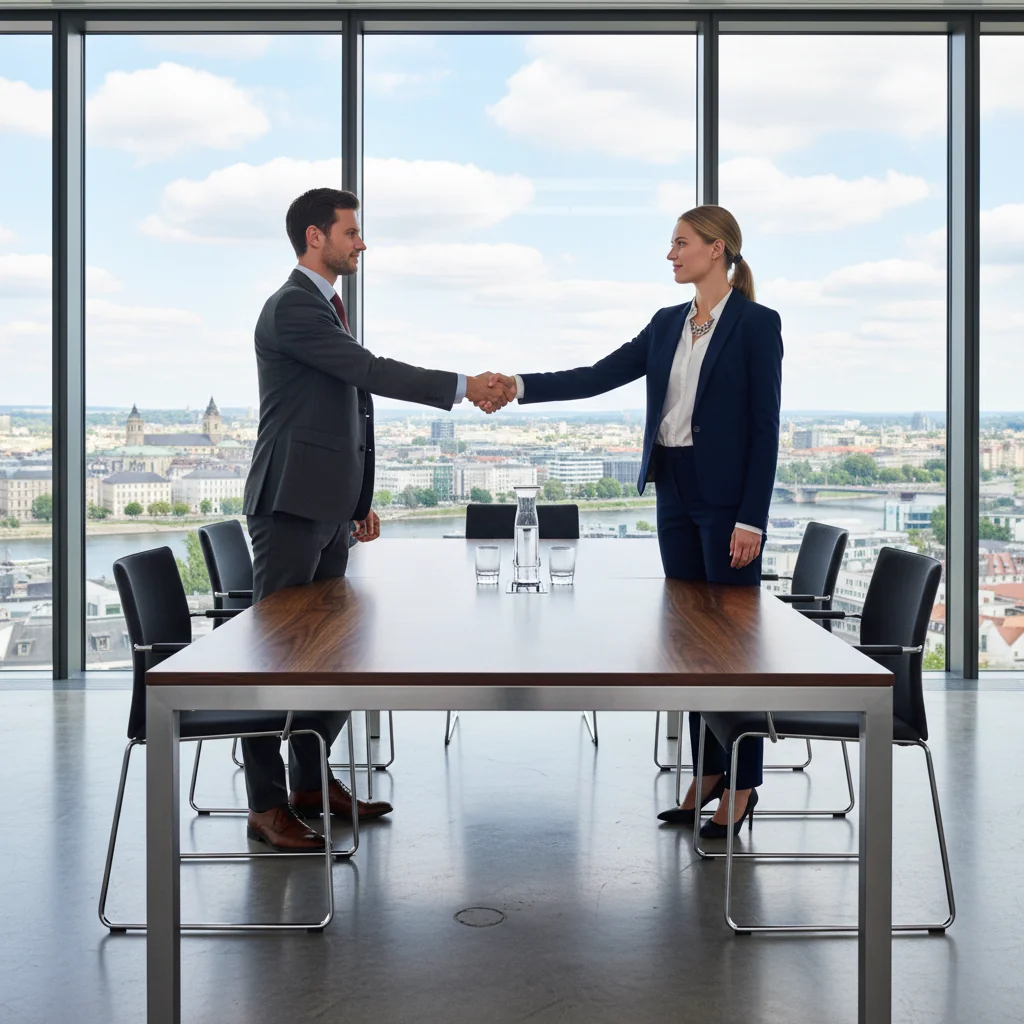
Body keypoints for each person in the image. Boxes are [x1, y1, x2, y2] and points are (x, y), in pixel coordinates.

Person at [488, 205, 782, 838]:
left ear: (716, 249)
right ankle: (708, 772)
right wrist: (515, 384)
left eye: (680, 243)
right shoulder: (666, 323)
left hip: (729, 502)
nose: (670, 254)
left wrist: (753, 519)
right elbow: (599, 376)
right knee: (691, 644)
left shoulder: (758, 325)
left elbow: (765, 428)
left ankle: (744, 783)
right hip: (672, 489)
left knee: (732, 651)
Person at [241, 187, 515, 851]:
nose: (361, 242)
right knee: (275, 662)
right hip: (288, 507)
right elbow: (367, 372)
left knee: (335, 654)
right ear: (315, 237)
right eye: (351, 231)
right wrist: (462, 385)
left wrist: (356, 501)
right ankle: (266, 804)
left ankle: (310, 783)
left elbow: (341, 409)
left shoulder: (322, 309)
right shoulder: (292, 309)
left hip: (326, 509)